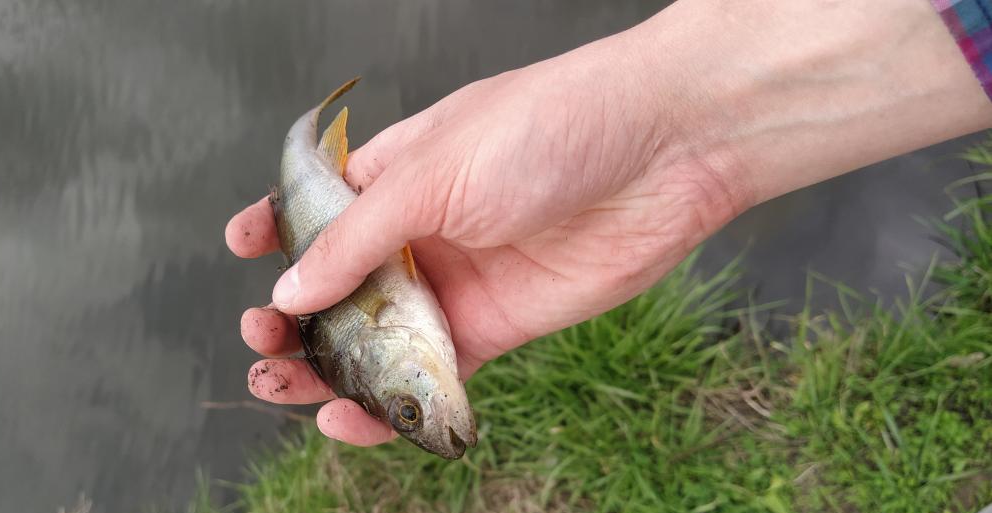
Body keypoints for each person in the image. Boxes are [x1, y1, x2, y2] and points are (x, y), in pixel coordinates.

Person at [225, 0, 992, 448]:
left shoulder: (382, 320)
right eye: (410, 411)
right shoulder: (412, 336)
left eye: (409, 408)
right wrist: (675, 126)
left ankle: (307, 142)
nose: (432, 413)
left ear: (383, 352)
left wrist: (668, 117)